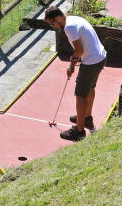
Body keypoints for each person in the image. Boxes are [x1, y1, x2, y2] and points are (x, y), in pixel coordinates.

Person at [44, 7, 107, 141]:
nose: (53, 26)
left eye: (52, 23)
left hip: (91, 62)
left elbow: (79, 50)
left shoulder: (69, 28)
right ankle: (86, 118)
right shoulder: (74, 19)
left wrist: (71, 65)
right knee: (90, 88)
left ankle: (79, 131)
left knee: (80, 95)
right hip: (100, 57)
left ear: (57, 18)